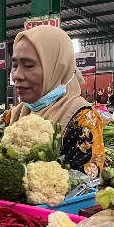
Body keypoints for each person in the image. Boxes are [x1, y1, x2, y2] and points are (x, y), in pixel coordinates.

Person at [9, 26, 105, 178]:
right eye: (14, 66)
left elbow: (80, 182)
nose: (16, 75)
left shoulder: (83, 119)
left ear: (58, 68)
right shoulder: (14, 115)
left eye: (28, 66)